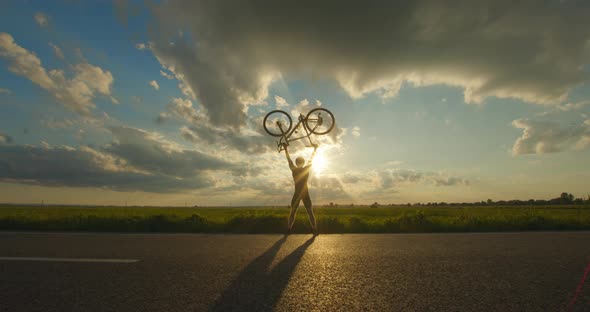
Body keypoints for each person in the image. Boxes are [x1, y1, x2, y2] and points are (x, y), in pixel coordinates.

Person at [283, 143, 318, 235]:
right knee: (309, 212)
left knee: (295, 212)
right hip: (304, 193)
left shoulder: (294, 169)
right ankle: (314, 230)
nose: (298, 163)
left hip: (299, 193)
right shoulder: (305, 168)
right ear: (302, 163)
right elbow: (311, 158)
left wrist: (285, 149)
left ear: (297, 163)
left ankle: (289, 230)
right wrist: (315, 149)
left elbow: (289, 160)